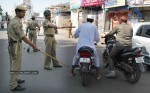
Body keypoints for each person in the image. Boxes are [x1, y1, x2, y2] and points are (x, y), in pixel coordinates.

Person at [7, 5, 39, 91]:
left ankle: (16, 79)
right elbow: (23, 37)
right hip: (16, 46)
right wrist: (34, 46)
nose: (24, 13)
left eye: (24, 12)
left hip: (12, 44)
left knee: (14, 64)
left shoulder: (14, 20)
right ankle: (13, 85)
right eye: (22, 12)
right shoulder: (16, 22)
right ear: (17, 12)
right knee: (16, 66)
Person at [70, 15, 101, 80]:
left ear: (87, 19)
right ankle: (98, 74)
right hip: (91, 48)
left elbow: (76, 34)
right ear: (92, 20)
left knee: (76, 57)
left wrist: (76, 36)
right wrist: (97, 40)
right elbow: (97, 38)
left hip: (80, 47)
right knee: (96, 58)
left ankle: (72, 71)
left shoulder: (82, 25)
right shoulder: (94, 27)